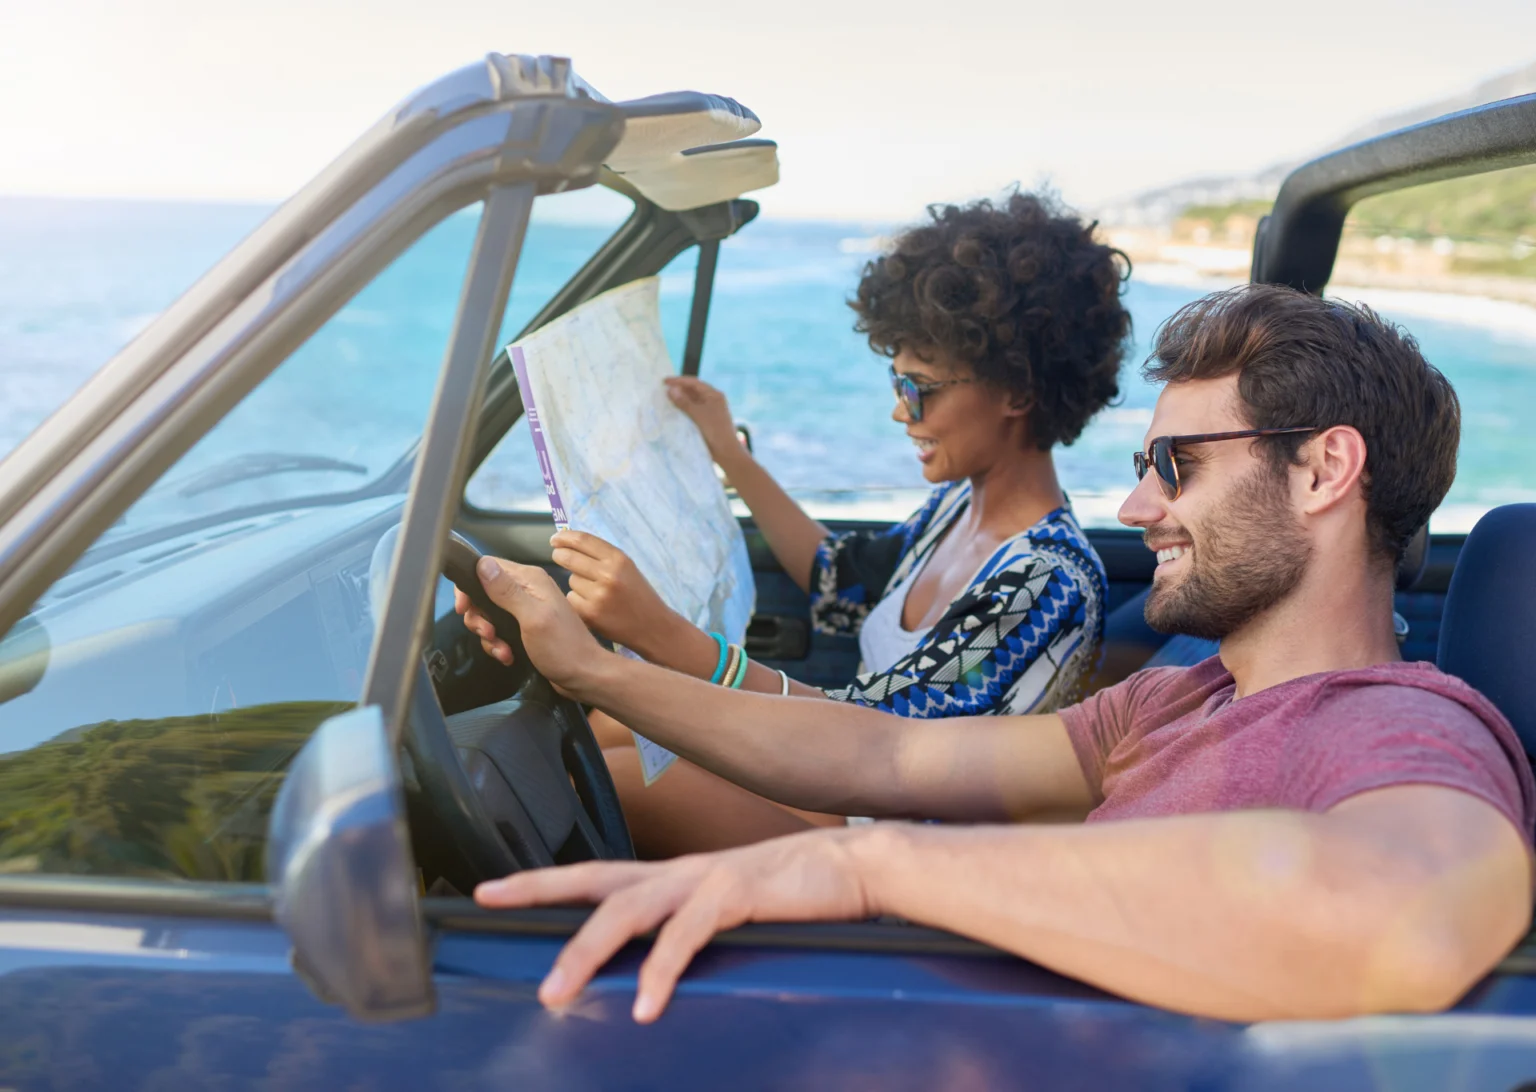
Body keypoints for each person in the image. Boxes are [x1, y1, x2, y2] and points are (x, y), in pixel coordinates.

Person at [463, 283, 1535, 1025]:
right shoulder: (1178, 701)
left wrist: (871, 867)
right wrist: (594, 671)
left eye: (1177, 467)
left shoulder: (1399, 723)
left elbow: (1416, 914)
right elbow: (887, 759)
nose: (1135, 505)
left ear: (1321, 473)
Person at [464, 192, 1132, 855]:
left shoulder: (1047, 585)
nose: (901, 413)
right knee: (606, 729)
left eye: (918, 388)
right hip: (846, 790)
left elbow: (880, 741)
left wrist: (663, 636)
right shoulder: (958, 508)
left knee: (610, 781)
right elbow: (834, 577)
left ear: (1017, 389)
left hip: (895, 844)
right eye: (895, 383)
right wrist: (728, 453)